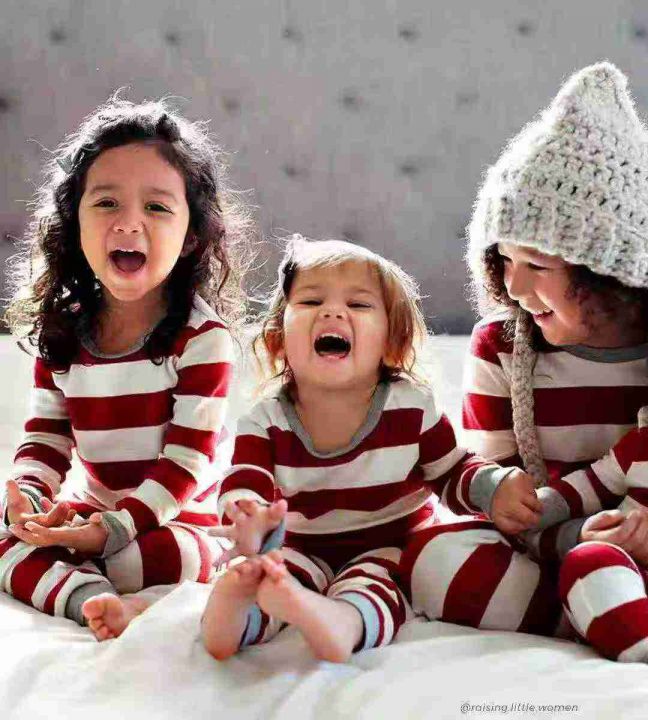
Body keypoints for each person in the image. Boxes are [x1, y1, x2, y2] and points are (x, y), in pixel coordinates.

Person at [400, 62, 648, 662]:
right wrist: (515, 504)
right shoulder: (501, 349)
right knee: (431, 555)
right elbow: (498, 483)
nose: (514, 287)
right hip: (554, 540)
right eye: (503, 261)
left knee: (600, 565)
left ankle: (600, 607)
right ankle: (591, 608)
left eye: (536, 266)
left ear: (608, 273)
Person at [201, 236, 530, 663]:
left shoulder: (410, 407)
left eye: (358, 305)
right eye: (311, 301)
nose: (332, 312)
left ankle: (341, 621)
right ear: (278, 341)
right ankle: (234, 615)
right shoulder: (265, 420)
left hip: (389, 543)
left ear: (392, 344)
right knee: (268, 573)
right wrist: (248, 516)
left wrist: (493, 486)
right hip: (301, 544)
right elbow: (246, 480)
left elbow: (451, 471)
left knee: (380, 585)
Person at [1, 97, 252, 640]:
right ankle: (89, 598)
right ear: (74, 223)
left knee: (178, 556)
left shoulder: (201, 338)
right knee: (6, 539)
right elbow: (45, 438)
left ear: (191, 237)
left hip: (177, 516)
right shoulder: (63, 331)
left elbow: (187, 464)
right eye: (107, 202)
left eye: (157, 207)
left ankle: (87, 579)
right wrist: (29, 499)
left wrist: (111, 531)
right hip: (94, 514)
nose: (129, 222)